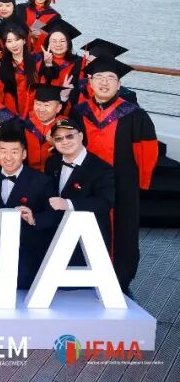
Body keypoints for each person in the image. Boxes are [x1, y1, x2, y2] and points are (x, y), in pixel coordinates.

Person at [71, 56, 158, 293]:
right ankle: (85, 276)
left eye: (111, 78)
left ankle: (119, 279)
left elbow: (147, 151)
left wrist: (139, 184)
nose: (104, 82)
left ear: (119, 84)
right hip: (88, 183)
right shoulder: (79, 113)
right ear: (90, 83)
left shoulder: (134, 115)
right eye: (99, 77)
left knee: (123, 229)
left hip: (123, 184)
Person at [0, 122, 57, 290]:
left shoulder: (41, 181)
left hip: (27, 254)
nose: (8, 157)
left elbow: (54, 215)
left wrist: (34, 219)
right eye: (3, 151)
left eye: (14, 152)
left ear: (24, 154)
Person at [43, 117, 115, 270]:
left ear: (80, 136)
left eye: (70, 136)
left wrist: (68, 204)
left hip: (87, 240)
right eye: (58, 138)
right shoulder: (52, 163)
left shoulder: (101, 168)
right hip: (54, 235)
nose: (64, 141)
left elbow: (105, 203)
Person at [22, 85, 64, 171]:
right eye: (38, 104)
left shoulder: (66, 127)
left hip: (55, 174)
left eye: (47, 105)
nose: (41, 109)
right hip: (28, 173)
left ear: (58, 108)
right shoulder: (23, 125)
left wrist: (58, 144)